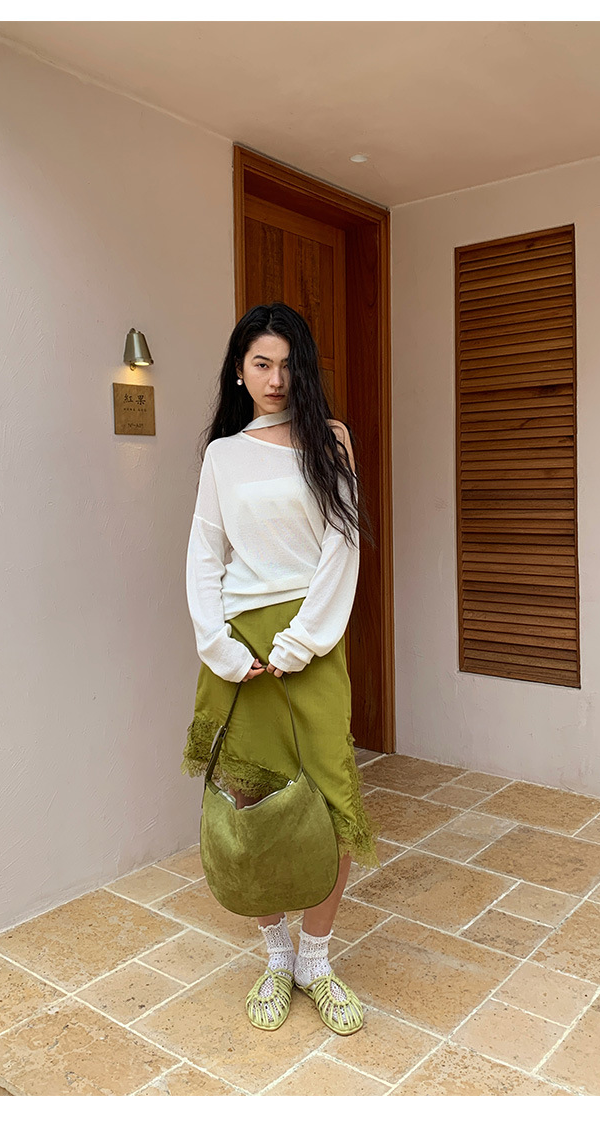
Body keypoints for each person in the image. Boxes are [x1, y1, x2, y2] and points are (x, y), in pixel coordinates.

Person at [182, 302, 380, 1036]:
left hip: (312, 642)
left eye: (288, 364)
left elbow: (341, 548)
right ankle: (276, 955)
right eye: (261, 363)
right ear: (239, 370)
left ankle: (316, 961)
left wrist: (302, 642)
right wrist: (219, 646)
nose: (275, 378)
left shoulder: (332, 440)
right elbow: (205, 555)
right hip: (241, 651)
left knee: (331, 802)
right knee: (252, 801)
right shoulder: (222, 456)